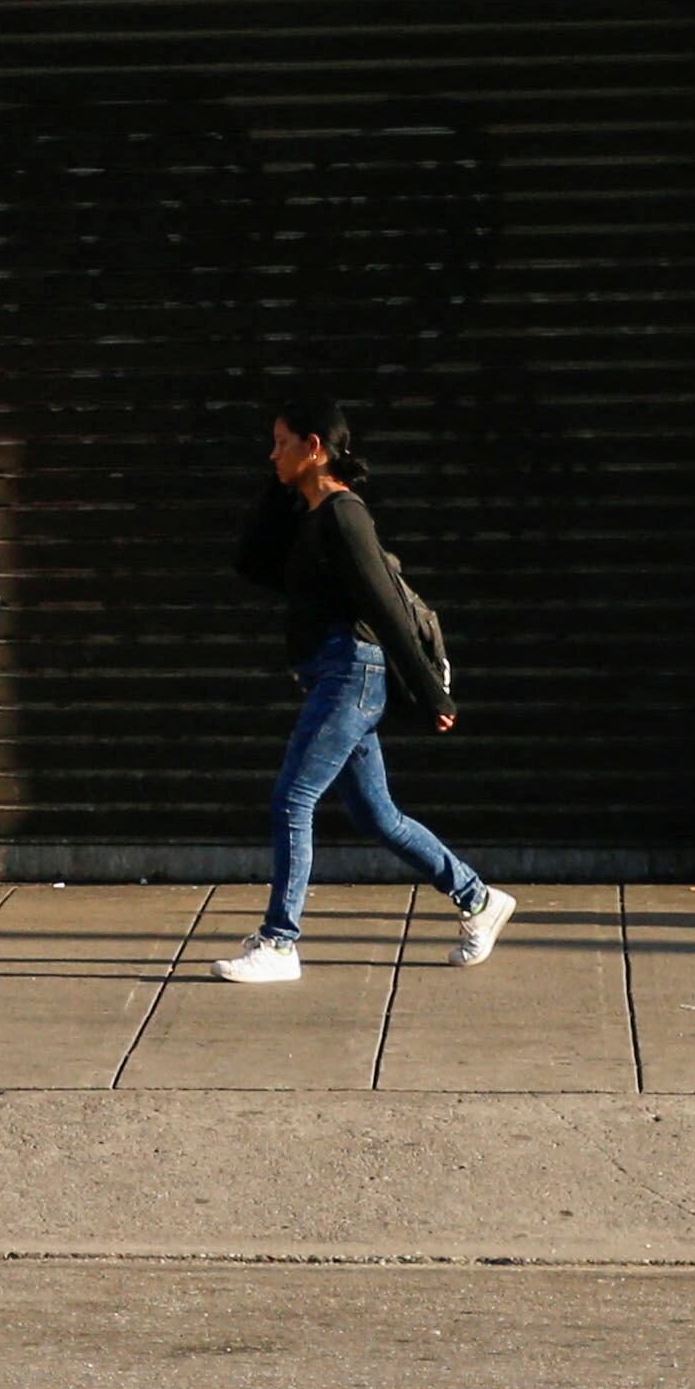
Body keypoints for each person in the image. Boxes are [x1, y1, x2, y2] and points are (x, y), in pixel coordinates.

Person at [217, 397, 515, 983]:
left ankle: (280, 943)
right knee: (376, 814)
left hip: (353, 671)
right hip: (334, 672)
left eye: (282, 442)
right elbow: (250, 563)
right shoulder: (309, 514)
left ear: (314, 447)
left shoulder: (345, 515)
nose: (270, 452)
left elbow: (385, 607)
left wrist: (433, 694)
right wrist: (280, 487)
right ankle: (478, 899)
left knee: (292, 799)